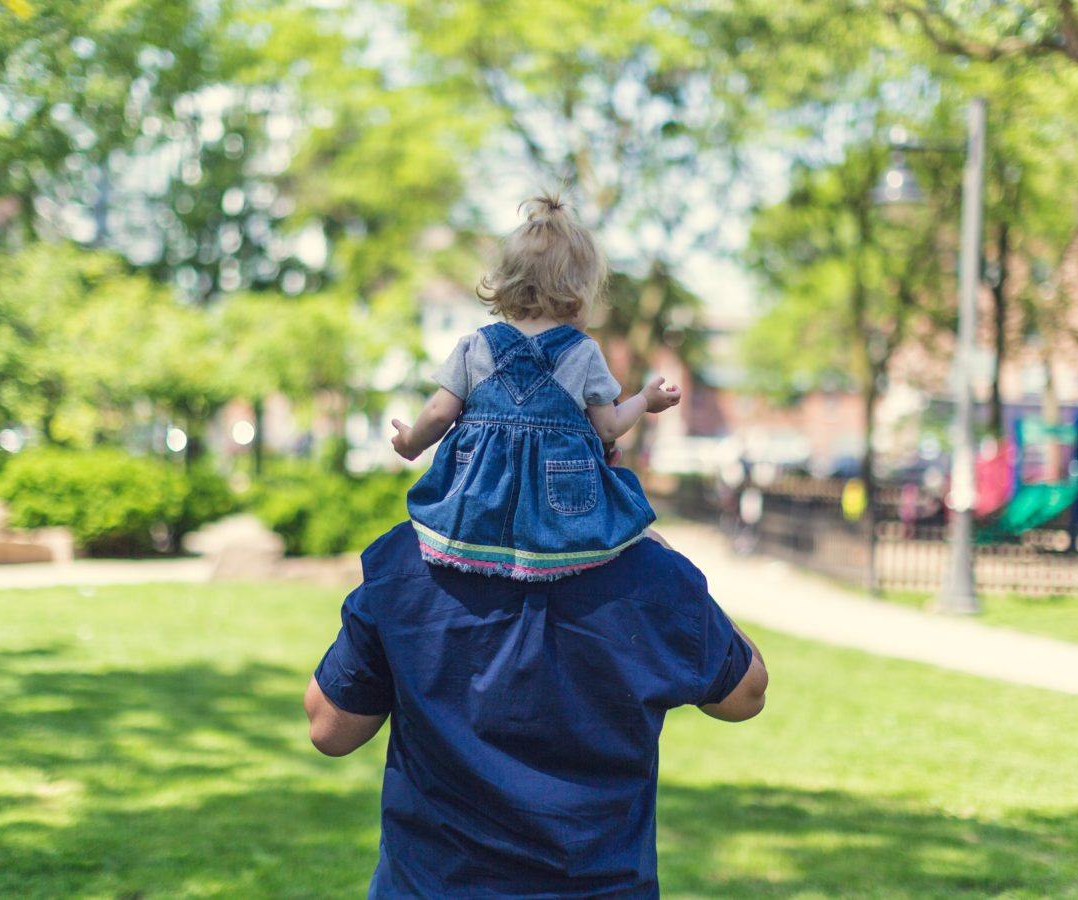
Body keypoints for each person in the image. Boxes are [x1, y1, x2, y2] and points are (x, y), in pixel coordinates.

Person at [304, 522, 769, 897]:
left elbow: (330, 728)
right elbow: (747, 693)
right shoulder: (650, 571)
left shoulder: (408, 558)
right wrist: (668, 563)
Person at [389, 192, 681, 580]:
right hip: (558, 520)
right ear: (580, 293)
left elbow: (440, 412)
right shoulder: (583, 353)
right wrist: (644, 400)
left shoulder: (475, 345)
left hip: (477, 510)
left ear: (506, 283)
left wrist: (412, 443)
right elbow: (609, 428)